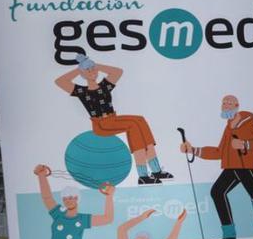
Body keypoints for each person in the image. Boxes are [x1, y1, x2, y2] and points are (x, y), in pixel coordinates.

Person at [181, 95, 253, 239]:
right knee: (217, 192)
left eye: (229, 103)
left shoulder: (251, 124)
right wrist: (193, 150)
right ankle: (229, 236)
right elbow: (219, 152)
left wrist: (245, 144)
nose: (226, 105)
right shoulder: (228, 127)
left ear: (237, 106)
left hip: (245, 167)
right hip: (231, 168)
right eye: (224, 103)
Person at [55, 55, 170, 184]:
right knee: (133, 125)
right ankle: (143, 175)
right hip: (101, 125)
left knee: (140, 120)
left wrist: (95, 65)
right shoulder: (81, 91)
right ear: (82, 74)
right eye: (88, 71)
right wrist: (80, 68)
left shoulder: (105, 86)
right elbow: (59, 81)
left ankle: (156, 171)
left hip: (113, 119)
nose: (92, 72)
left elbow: (118, 72)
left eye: (93, 69)